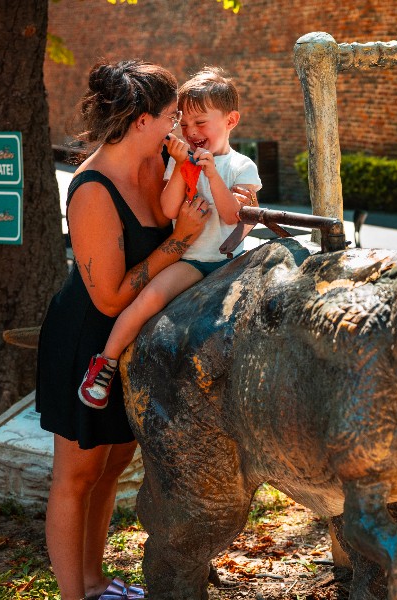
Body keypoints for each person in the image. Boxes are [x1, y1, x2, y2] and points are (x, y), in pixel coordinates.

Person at [35, 59, 211, 600]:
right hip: (86, 343)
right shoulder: (92, 189)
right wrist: (179, 242)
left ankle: (95, 580)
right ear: (139, 120)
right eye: (168, 116)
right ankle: (73, 594)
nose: (176, 127)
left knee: (112, 466)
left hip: (131, 344)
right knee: (77, 476)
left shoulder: (157, 160)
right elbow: (109, 296)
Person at [78, 66, 262, 408]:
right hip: (192, 259)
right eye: (185, 123)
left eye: (201, 122)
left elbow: (232, 216)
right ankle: (105, 360)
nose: (191, 132)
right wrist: (182, 168)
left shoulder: (241, 167)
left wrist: (211, 172)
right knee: (148, 299)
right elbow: (168, 209)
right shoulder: (180, 162)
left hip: (229, 261)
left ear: (231, 120)